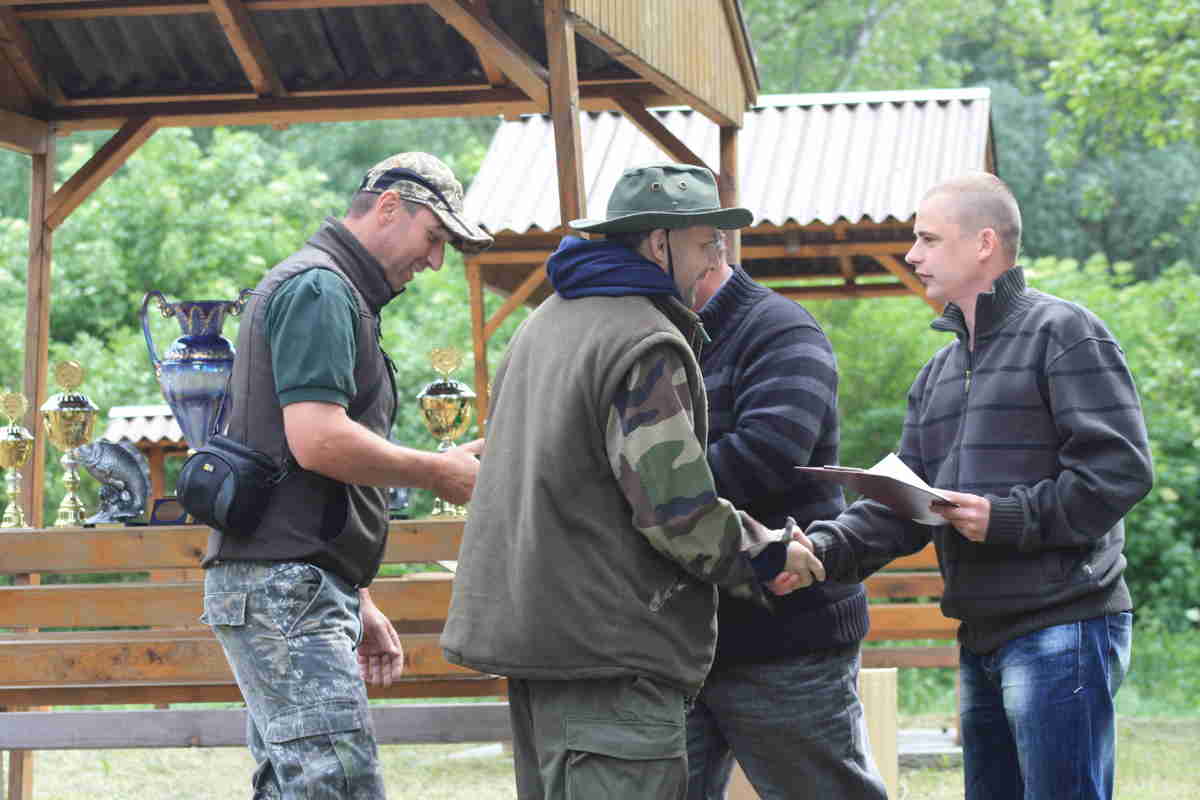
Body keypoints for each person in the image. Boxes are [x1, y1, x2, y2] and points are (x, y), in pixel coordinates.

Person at [441, 162, 826, 800]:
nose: (717, 260)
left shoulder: (544, 323)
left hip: (544, 651)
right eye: (707, 243)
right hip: (609, 659)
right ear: (658, 242)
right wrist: (767, 552)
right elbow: (677, 510)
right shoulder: (641, 340)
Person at [806, 171, 1154, 800]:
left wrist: (1006, 517)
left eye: (928, 239)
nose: (913, 255)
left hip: (1064, 627)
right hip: (980, 634)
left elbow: (1119, 472)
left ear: (984, 243)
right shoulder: (937, 372)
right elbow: (901, 502)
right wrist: (819, 549)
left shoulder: (1065, 333)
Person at [201, 151, 493, 798]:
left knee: (298, 787)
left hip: (291, 581)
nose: (435, 261)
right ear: (389, 207)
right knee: (337, 785)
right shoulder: (321, 290)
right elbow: (318, 440)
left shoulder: (329, 289)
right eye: (433, 237)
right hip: (285, 587)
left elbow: (298, 465)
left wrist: (354, 593)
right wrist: (439, 472)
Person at [685, 257, 887, 799]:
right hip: (683, 641)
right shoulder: (659, 333)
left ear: (699, 250)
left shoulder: (780, 328)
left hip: (786, 639)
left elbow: (767, 455)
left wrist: (645, 487)